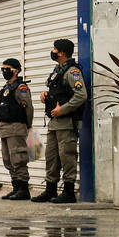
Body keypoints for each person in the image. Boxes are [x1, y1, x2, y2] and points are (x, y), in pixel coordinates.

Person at [33, 38, 87, 204]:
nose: (53, 51)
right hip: (54, 123)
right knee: (52, 157)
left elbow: (81, 95)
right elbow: (59, 92)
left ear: (62, 52)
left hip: (66, 123)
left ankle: (69, 192)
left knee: (67, 157)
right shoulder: (58, 70)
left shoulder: (72, 72)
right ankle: (50, 189)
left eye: (55, 49)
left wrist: (62, 110)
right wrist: (46, 96)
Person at [0, 58, 33, 200]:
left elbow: (28, 107)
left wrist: (27, 126)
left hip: (16, 127)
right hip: (4, 129)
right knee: (7, 159)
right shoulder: (6, 88)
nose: (4, 71)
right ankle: (16, 187)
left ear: (16, 70)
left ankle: (23, 189)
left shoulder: (21, 87)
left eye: (7, 69)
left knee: (18, 158)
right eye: (2, 69)